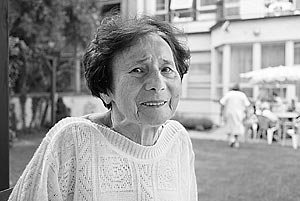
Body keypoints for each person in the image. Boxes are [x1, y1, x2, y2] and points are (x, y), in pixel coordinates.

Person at [8, 15, 198, 201]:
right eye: (138, 70)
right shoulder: (72, 140)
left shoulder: (178, 140)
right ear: (106, 89)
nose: (158, 83)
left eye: (167, 69)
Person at [220, 83, 250, 148]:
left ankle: (231, 140)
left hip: (229, 112)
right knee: (237, 126)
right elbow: (247, 105)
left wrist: (221, 112)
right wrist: (247, 114)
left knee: (230, 126)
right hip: (239, 113)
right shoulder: (242, 95)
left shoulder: (229, 94)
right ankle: (235, 141)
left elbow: (222, 103)